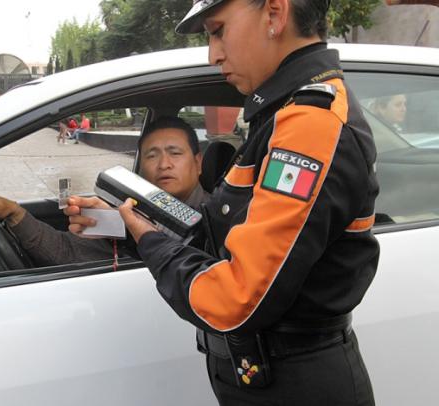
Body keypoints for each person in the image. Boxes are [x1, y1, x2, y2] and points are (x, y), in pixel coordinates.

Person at [69, 1, 379, 405]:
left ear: (274, 14)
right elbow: (220, 239)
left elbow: (236, 298)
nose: (213, 54)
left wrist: (151, 240)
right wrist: (130, 224)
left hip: (294, 385)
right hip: (268, 377)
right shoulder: (281, 116)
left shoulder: (311, 125)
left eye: (218, 31)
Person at [0, 116, 209, 267]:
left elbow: (206, 264)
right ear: (140, 168)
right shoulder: (128, 214)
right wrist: (14, 213)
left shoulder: (221, 219)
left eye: (175, 153)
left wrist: (130, 232)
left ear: (198, 162)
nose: (164, 164)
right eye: (151, 155)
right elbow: (64, 250)